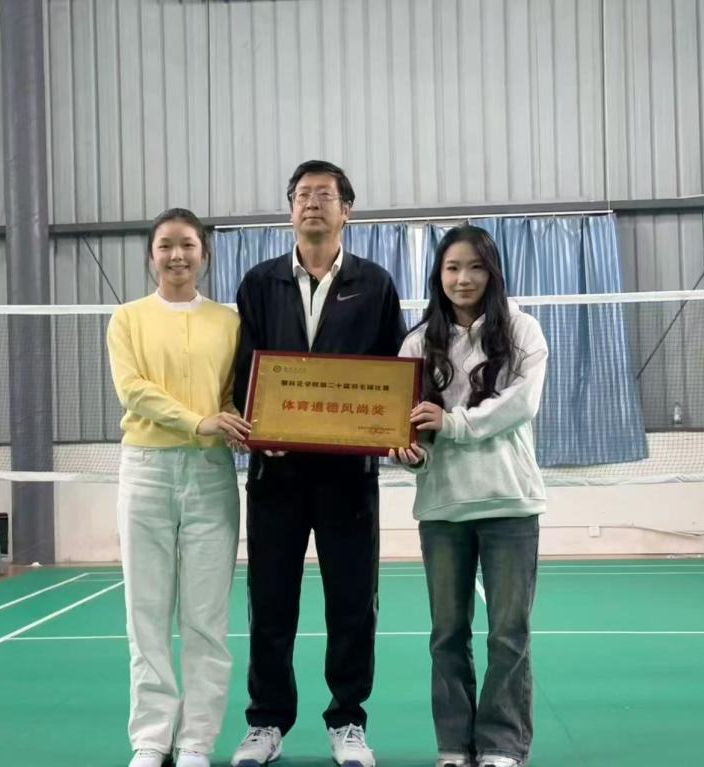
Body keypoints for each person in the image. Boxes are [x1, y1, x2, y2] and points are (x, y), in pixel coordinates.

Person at [230, 160, 407, 767]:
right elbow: (245, 368)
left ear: (346, 210)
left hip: (348, 477)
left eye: (324, 194)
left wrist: (394, 429)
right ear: (290, 209)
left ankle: (348, 720)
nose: (312, 203)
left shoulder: (375, 283)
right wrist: (257, 429)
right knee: (270, 603)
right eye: (302, 194)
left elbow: (392, 370)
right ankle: (266, 722)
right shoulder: (259, 283)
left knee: (353, 603)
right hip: (274, 476)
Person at [390, 225, 548, 767]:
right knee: (447, 634)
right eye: (453, 267)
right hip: (443, 509)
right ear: (438, 274)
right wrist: (409, 453)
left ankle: (503, 745)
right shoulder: (416, 344)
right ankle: (455, 745)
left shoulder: (523, 330)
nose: (464, 278)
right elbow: (410, 429)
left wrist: (453, 424)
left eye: (475, 267)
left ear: (492, 272)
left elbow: (520, 404)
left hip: (510, 504)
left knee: (509, 633)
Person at [106, 208, 252, 767]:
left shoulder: (228, 323)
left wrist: (249, 425)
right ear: (151, 255)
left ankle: (196, 742)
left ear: (204, 254)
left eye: (187, 245)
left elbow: (237, 396)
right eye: (166, 245)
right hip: (145, 472)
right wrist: (199, 421)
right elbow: (133, 390)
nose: (177, 255)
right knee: (146, 615)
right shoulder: (127, 319)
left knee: (206, 620)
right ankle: (151, 738)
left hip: (211, 475)